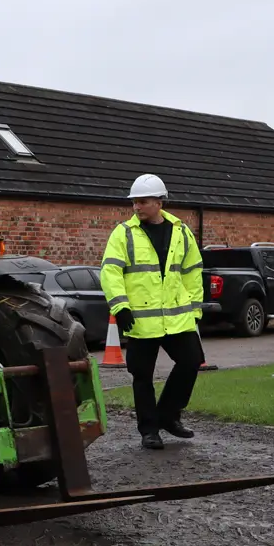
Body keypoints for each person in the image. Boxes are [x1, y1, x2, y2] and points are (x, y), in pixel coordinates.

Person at [99, 173, 206, 449]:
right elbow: (111, 272)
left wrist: (195, 309)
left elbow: (193, 272)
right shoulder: (123, 233)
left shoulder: (181, 231)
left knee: (191, 361)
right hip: (140, 320)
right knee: (142, 376)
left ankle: (168, 415)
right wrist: (120, 306)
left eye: (143, 201)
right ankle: (149, 430)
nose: (136, 207)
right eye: (134, 202)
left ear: (159, 202)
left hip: (178, 318)